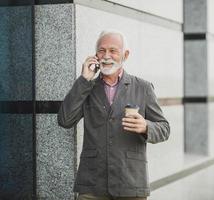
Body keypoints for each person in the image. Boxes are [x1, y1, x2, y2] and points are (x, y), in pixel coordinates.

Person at [57, 29, 170, 200]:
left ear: (125, 55)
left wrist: (146, 126)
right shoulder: (86, 87)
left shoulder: (143, 87)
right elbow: (65, 120)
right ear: (96, 55)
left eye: (113, 51)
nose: (106, 56)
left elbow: (164, 128)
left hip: (131, 183)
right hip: (92, 185)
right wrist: (83, 80)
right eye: (102, 51)